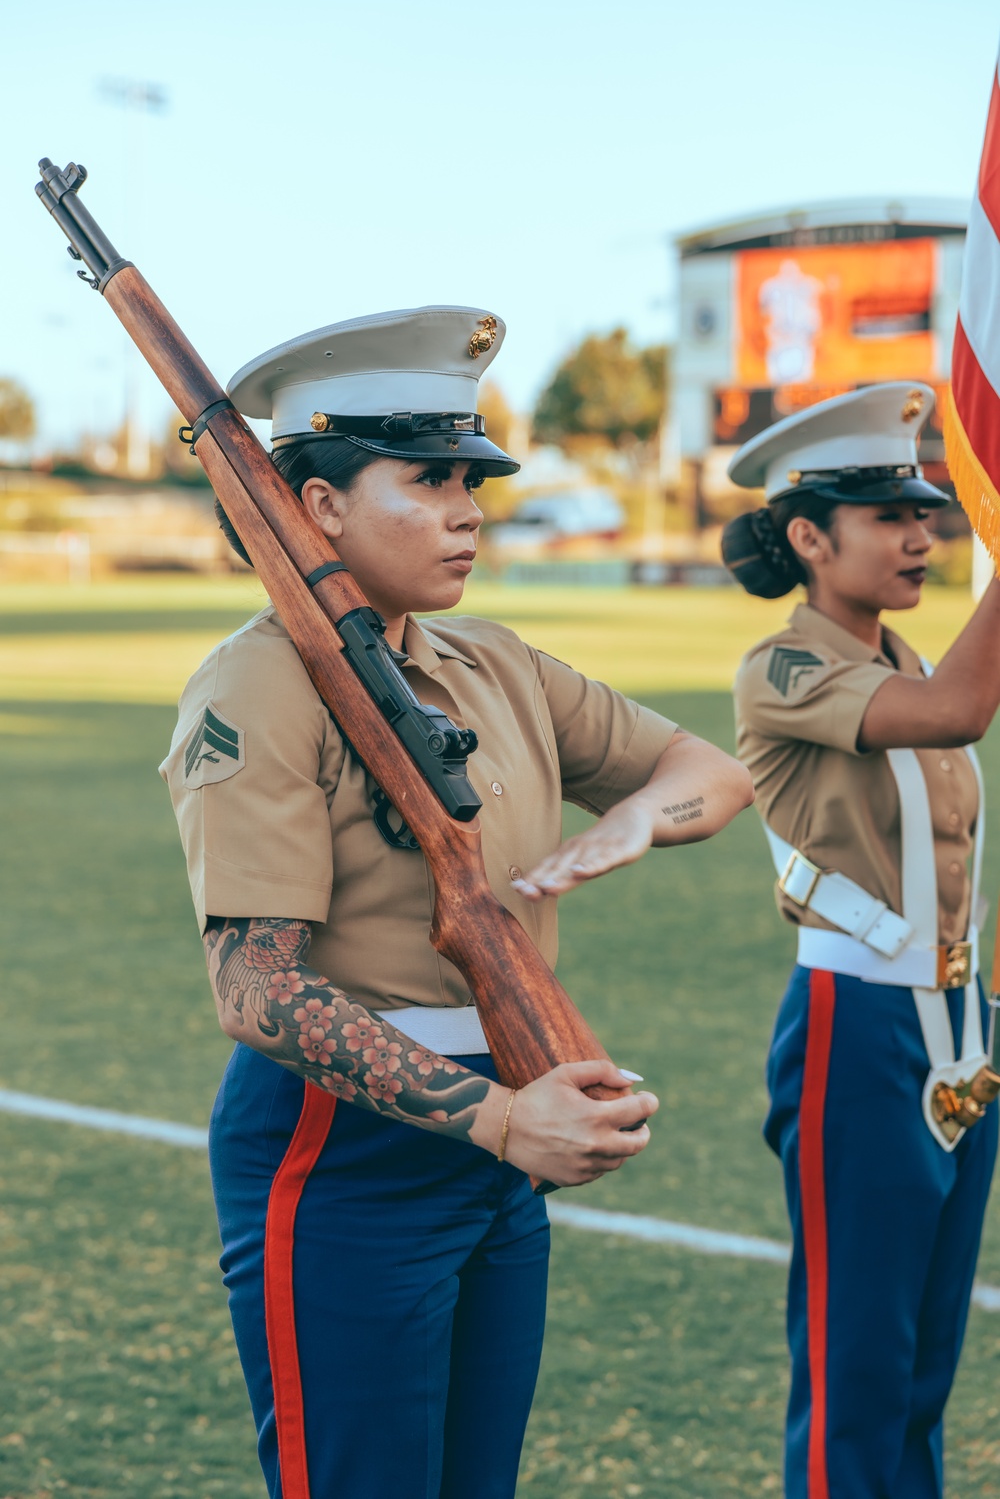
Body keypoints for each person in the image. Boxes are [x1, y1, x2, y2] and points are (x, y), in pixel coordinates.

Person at [160, 305, 754, 1499]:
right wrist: (494, 1120)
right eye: (426, 479)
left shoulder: (492, 662)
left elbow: (713, 770)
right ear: (316, 504)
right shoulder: (257, 683)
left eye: (471, 478)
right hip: (346, 1149)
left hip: (509, 1121)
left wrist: (636, 816)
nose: (469, 508)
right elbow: (255, 986)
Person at [721, 381, 1000, 1499]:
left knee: (928, 1356)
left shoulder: (907, 662)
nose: (921, 535)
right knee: (858, 1361)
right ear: (807, 535)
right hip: (858, 1022)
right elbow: (958, 723)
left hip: (961, 1021)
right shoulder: (782, 667)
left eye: (926, 511)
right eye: (889, 515)